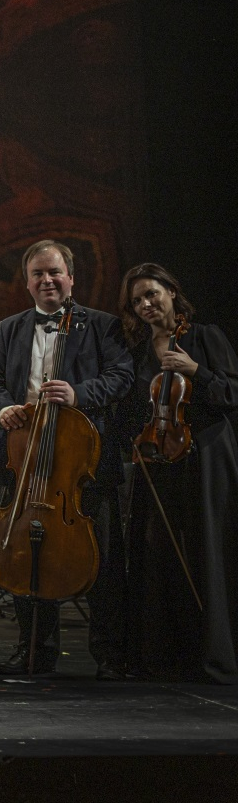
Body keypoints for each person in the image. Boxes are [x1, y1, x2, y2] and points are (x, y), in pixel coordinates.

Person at [0, 238, 135, 678]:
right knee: (27, 554)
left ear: (71, 278)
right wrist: (3, 408)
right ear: (27, 282)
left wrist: (78, 394)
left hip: (81, 462)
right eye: (38, 274)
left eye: (54, 273)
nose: (47, 280)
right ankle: (34, 650)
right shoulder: (10, 327)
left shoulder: (102, 325)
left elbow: (123, 376)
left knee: (101, 560)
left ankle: (109, 654)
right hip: (25, 455)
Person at [117, 263, 238, 681]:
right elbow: (134, 408)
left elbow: (232, 392)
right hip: (157, 456)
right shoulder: (137, 353)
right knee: (158, 553)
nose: (146, 304)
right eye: (137, 301)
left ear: (171, 292)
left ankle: (214, 655)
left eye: (152, 294)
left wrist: (196, 372)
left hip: (206, 457)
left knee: (207, 551)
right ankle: (163, 656)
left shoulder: (204, 337)